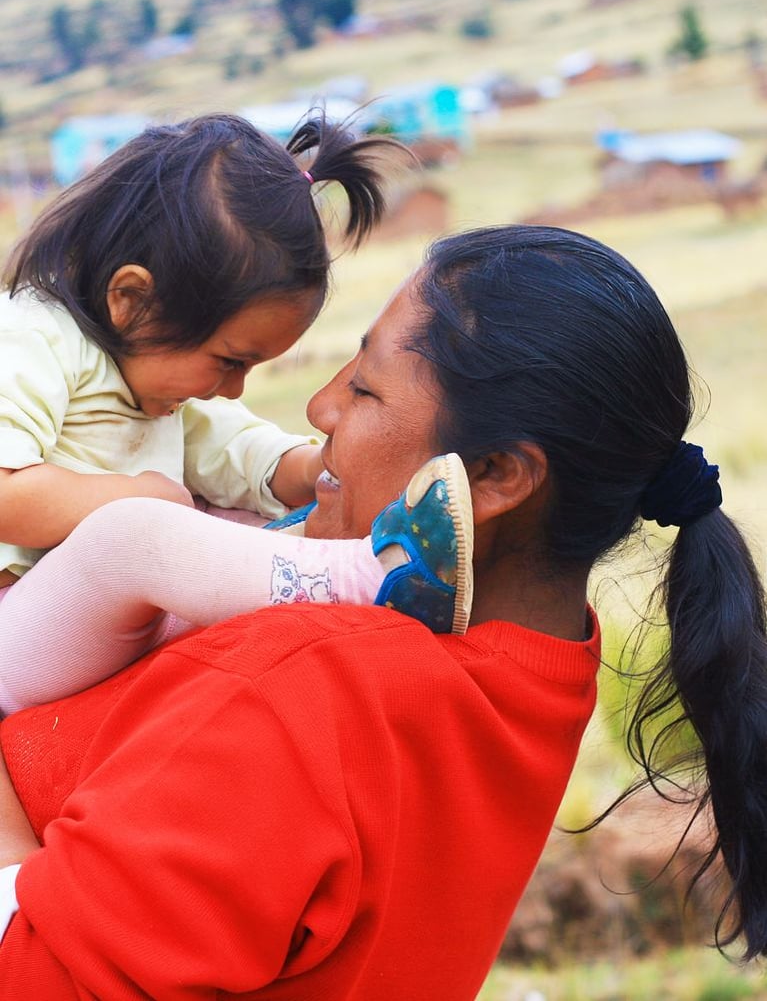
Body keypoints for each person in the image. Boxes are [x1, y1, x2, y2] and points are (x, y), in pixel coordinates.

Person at [0, 224, 765, 999]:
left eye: (363, 389)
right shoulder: (542, 665)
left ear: (495, 475)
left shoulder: (295, 689)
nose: (319, 406)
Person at [0, 111, 472, 715]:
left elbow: (228, 449)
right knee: (140, 534)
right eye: (228, 361)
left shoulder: (151, 380)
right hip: (18, 624)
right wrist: (139, 499)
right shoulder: (32, 338)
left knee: (245, 524)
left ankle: (345, 559)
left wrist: (315, 470)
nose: (232, 388)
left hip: (89, 623)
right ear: (131, 301)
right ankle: (372, 576)